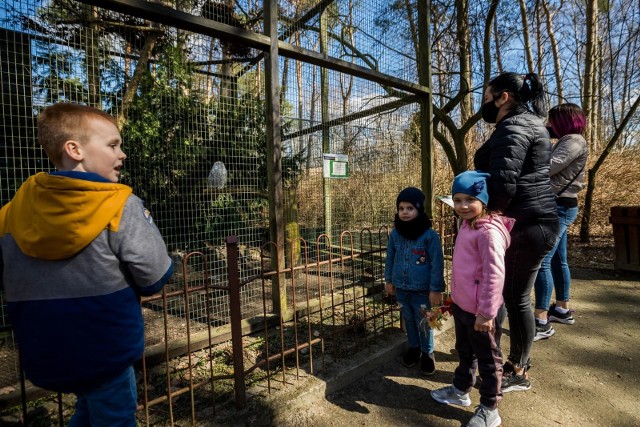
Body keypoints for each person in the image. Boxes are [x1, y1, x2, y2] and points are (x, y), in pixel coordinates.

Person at [0, 103, 174, 426]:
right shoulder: (120, 204)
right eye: (112, 145)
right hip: (105, 354)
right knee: (115, 417)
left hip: (45, 357)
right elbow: (156, 276)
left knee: (88, 408)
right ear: (74, 149)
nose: (122, 154)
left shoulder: (11, 214)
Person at [474, 72, 560, 392]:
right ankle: (504, 355)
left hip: (527, 223)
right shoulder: (529, 123)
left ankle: (519, 369)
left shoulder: (514, 126)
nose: (484, 104)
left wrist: (485, 213)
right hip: (532, 220)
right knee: (514, 294)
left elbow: (504, 180)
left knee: (516, 296)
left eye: (486, 98)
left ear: (503, 97)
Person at [431, 170, 514, 427]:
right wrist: (454, 300)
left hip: (482, 312)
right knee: (465, 353)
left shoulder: (488, 233)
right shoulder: (467, 225)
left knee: (489, 361)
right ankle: (460, 390)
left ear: (484, 200)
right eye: (457, 200)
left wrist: (487, 313)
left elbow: (494, 275)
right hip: (463, 307)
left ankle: (490, 408)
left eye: (470, 199)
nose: (463, 206)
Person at [533, 103, 588, 341]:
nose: (550, 125)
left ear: (563, 121)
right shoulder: (570, 140)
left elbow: (548, 167)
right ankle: (562, 309)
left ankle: (541, 321)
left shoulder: (573, 140)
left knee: (542, 261)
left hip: (559, 206)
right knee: (558, 259)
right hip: (562, 205)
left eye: (553, 120)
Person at [384, 187, 445, 376]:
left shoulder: (429, 236)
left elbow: (437, 264)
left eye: (410, 208)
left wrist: (436, 289)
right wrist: (388, 281)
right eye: (401, 208)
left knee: (426, 323)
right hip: (402, 289)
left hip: (423, 291)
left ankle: (428, 352)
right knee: (409, 320)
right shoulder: (395, 234)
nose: (404, 212)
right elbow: (390, 259)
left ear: (419, 210)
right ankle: (414, 348)